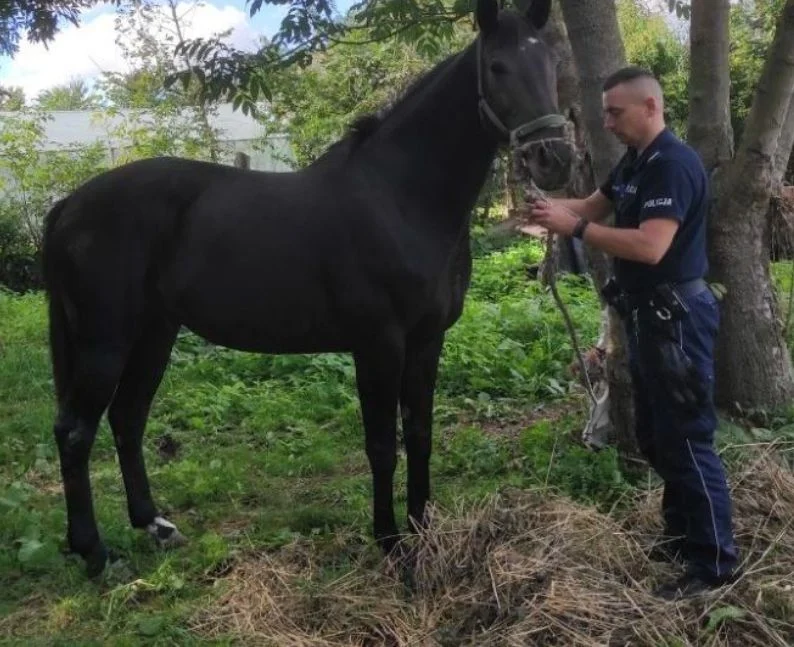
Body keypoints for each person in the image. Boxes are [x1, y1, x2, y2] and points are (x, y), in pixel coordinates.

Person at [521, 66, 740, 599]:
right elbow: (591, 208)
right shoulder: (636, 162)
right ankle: (681, 535)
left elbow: (650, 247)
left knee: (687, 439)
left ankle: (714, 565)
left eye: (615, 112)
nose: (607, 121)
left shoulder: (673, 165)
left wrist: (572, 227)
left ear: (650, 107)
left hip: (677, 322)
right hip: (648, 319)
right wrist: (545, 210)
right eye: (605, 112)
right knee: (657, 435)